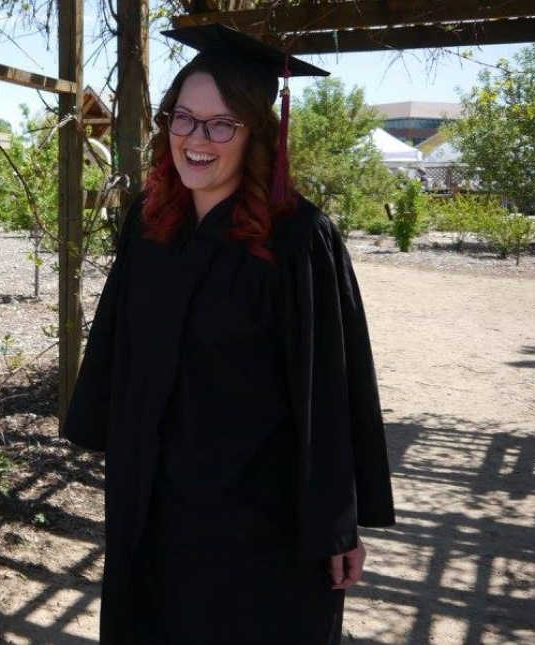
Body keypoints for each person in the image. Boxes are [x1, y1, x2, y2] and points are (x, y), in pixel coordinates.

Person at [61, 23, 395, 645]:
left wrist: (338, 524)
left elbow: (330, 386)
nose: (197, 139)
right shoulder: (151, 222)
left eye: (222, 124)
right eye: (183, 119)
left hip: (255, 517)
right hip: (151, 503)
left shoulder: (297, 240)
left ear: (257, 135)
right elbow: (117, 345)